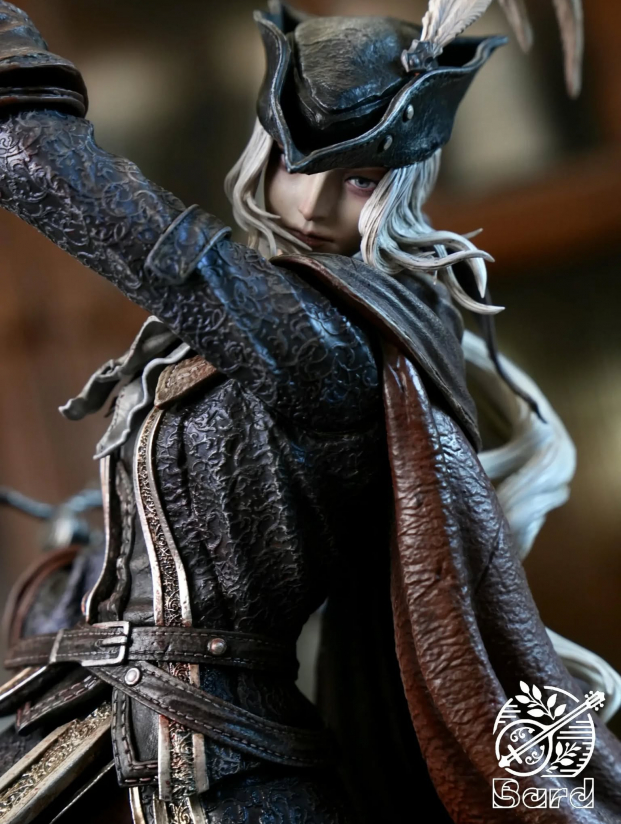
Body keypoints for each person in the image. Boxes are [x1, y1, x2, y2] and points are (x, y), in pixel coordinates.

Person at [0, 1, 620, 823]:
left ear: (405, 184)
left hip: (208, 758)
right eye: (296, 163)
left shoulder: (326, 335)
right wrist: (97, 541)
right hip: (98, 715)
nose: (314, 204)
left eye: (358, 178)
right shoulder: (277, 317)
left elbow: (85, 198)